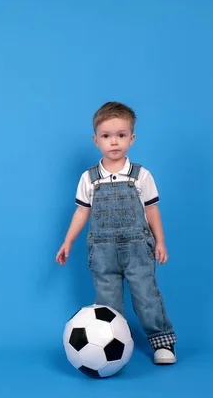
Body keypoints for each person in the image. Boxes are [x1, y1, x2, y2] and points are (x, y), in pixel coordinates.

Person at [56, 101, 177, 365]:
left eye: (121, 135)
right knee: (108, 305)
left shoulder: (140, 175)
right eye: (107, 136)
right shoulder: (89, 178)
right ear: (96, 140)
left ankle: (162, 342)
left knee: (147, 297)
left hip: (137, 250)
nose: (114, 142)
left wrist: (160, 241)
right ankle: (116, 350)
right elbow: (81, 212)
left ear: (131, 139)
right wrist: (68, 241)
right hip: (103, 253)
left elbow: (152, 209)